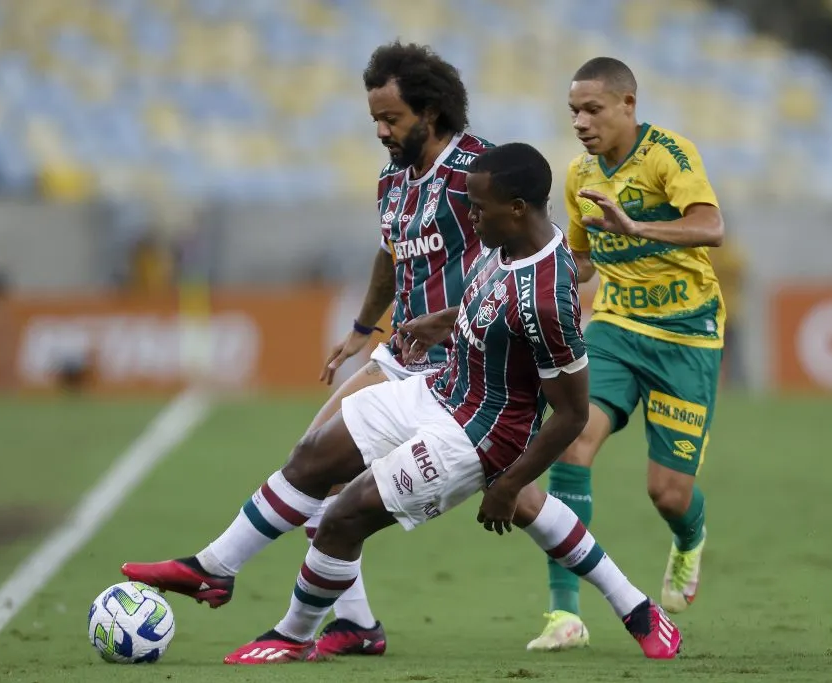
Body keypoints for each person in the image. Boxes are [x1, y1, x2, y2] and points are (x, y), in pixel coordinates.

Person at [121, 143, 683, 664]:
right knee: (313, 457)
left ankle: (293, 635)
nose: (472, 218)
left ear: (515, 208)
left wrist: (507, 485)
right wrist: (440, 322)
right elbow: (486, 303)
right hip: (439, 389)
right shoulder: (514, 239)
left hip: (476, 436)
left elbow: (572, 414)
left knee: (343, 520)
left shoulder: (547, 300)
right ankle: (215, 569)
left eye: (479, 208)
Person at [124, 42, 493, 658]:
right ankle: (354, 624)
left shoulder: (476, 174)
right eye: (374, 118)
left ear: (432, 112)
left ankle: (227, 573)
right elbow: (391, 251)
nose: (380, 130)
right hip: (399, 355)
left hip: (458, 364)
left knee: (525, 502)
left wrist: (467, 318)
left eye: (392, 119)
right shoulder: (394, 178)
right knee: (313, 466)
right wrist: (361, 324)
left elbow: (521, 251)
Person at [526, 57, 726, 652]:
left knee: (668, 493)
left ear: (627, 106)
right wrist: (546, 274)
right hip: (615, 326)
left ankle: (689, 540)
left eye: (592, 109)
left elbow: (712, 226)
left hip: (686, 335)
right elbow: (585, 259)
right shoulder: (578, 174)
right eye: (573, 112)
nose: (581, 122)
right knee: (572, 439)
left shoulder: (669, 155)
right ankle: (564, 615)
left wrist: (636, 227)